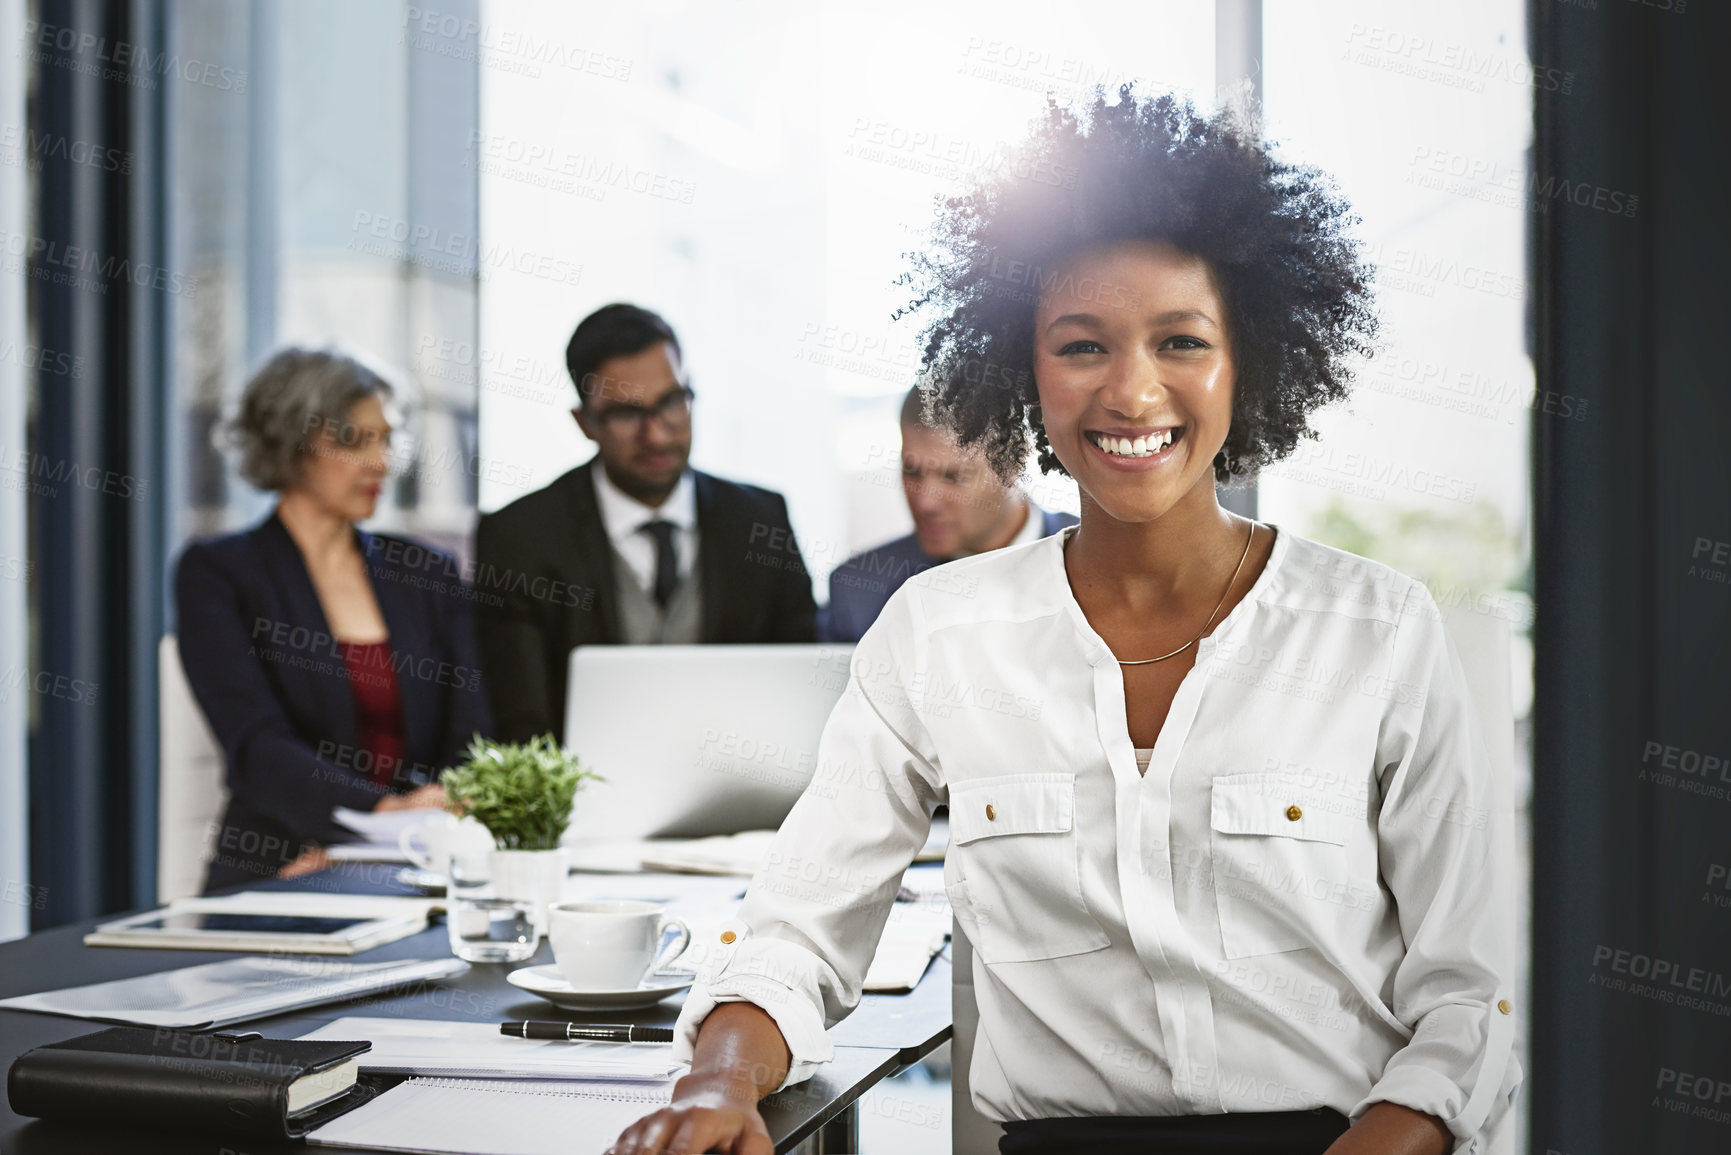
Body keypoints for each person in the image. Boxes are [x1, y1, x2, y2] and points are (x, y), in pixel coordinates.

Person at [610, 91, 1520, 1155]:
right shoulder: (939, 633)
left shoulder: (1376, 628)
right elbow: (798, 929)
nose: (1133, 393)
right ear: (1022, 371)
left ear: (1249, 362)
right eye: (1082, 346)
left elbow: (1469, 999)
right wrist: (718, 1084)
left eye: (1182, 340)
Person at [175, 348, 490, 892]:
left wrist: (423, 818)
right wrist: (374, 816)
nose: (381, 462)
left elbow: (471, 734)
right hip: (284, 864)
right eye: (353, 441)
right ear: (292, 445)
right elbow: (256, 744)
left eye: (386, 439)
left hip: (422, 866)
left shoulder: (425, 572)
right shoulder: (219, 573)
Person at [475, 304, 817, 744]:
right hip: (583, 805)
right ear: (585, 423)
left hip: (745, 802)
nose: (657, 434)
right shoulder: (519, 538)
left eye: (672, 402)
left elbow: (801, 694)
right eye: (627, 414)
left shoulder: (762, 521)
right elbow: (521, 727)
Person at [820, 384, 1076, 643]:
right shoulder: (858, 594)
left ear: (1012, 466)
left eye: (953, 477)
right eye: (911, 471)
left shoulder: (1106, 560)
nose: (925, 502)